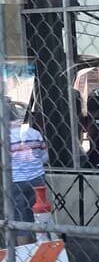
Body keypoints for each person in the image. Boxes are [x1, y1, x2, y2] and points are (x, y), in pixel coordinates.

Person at [7, 101, 48, 240]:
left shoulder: (5, 138)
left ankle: (25, 250)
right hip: (37, 178)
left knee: (20, 217)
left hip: (16, 180)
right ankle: (41, 245)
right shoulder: (35, 133)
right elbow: (45, 157)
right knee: (39, 213)